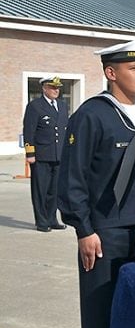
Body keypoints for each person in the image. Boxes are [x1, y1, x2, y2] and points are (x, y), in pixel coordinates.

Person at [58, 39, 135, 328]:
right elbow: (73, 177)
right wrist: (84, 229)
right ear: (111, 73)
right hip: (104, 232)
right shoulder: (91, 115)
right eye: (133, 68)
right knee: (101, 313)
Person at [23, 76, 69, 232]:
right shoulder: (35, 106)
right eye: (52, 87)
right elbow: (29, 131)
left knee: (54, 190)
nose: (56, 90)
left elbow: (64, 130)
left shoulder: (62, 106)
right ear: (44, 88)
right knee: (40, 189)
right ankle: (41, 221)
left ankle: (52, 218)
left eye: (58, 88)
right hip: (41, 155)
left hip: (58, 155)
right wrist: (30, 153)